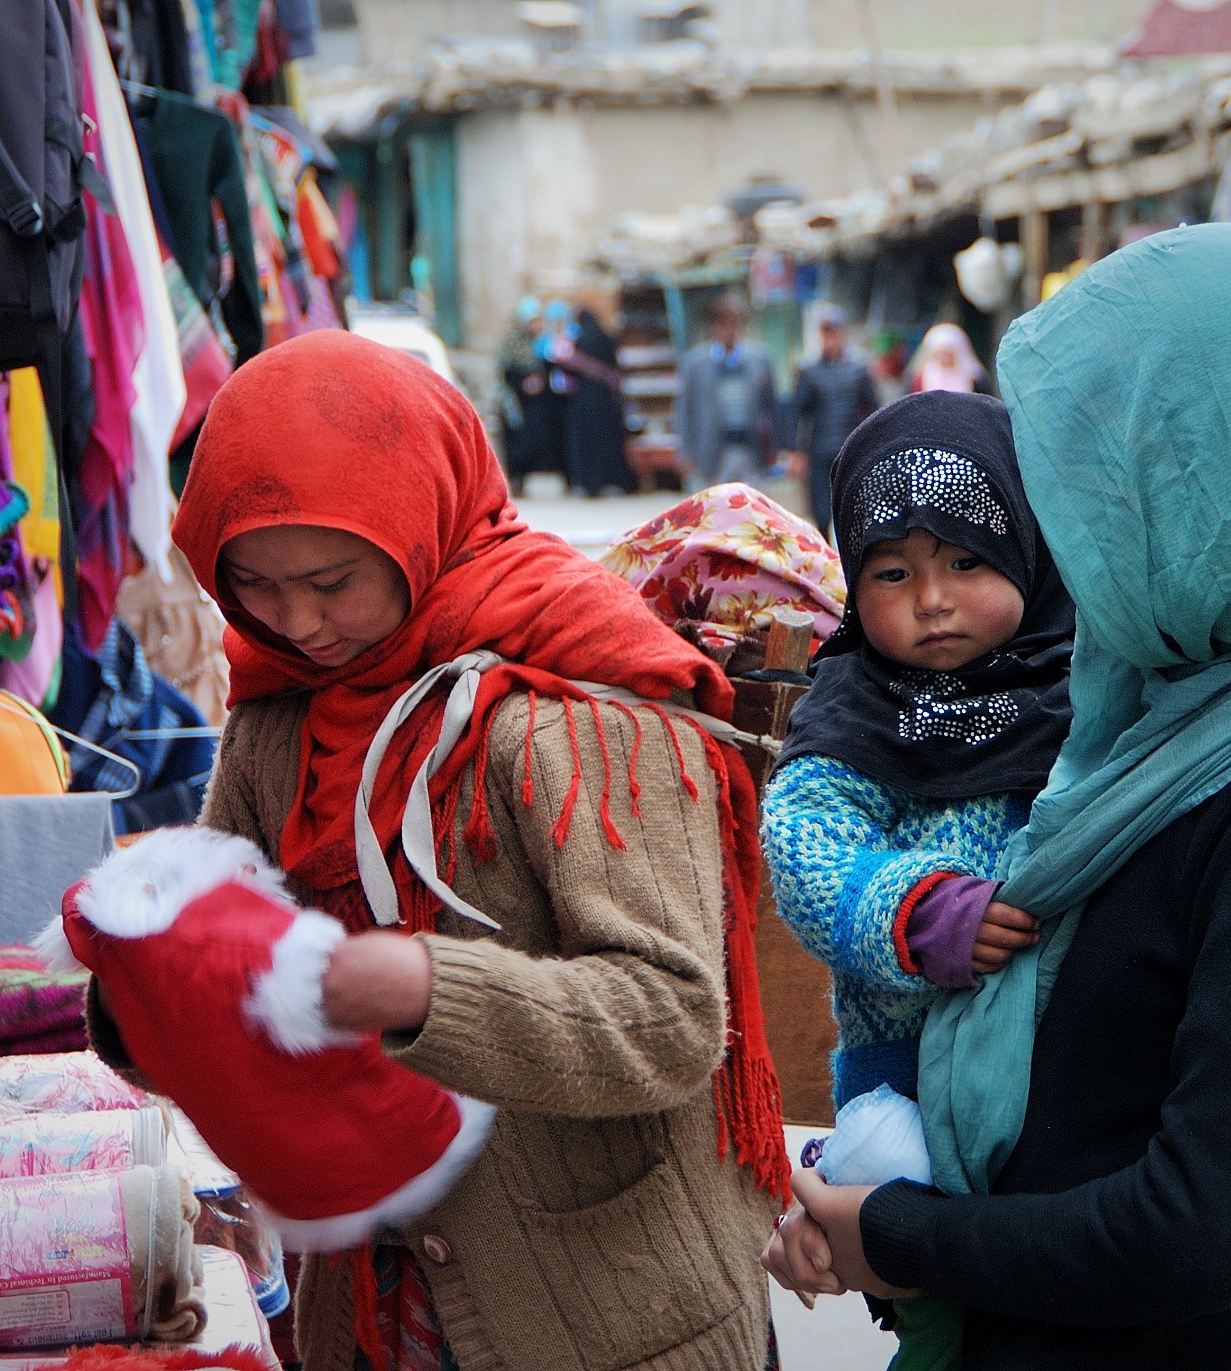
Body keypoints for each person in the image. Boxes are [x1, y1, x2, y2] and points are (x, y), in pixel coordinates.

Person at [764, 223, 1231, 1370]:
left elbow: (1192, 1232)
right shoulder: (1159, 705)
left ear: (1217, 479)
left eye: (1103, 472)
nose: (1069, 525)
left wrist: (903, 1236)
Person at [141, 330, 789, 1369]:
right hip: (376, 1311)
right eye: (252, 585)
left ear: (415, 522)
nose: (295, 621)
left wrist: (421, 988)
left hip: (610, 1324)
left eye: (330, 580)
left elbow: (670, 1021)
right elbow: (233, 951)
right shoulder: (279, 717)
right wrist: (148, 983)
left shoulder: (574, 707)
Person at [764, 391, 1073, 1108]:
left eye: (966, 561)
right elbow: (803, 836)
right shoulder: (854, 704)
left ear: (1027, 545)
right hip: (910, 1075)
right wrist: (924, 912)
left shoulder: (1091, 682)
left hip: (1068, 1055)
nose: (932, 598)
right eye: (894, 574)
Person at [786, 305, 880, 538]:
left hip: (850, 449)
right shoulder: (809, 372)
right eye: (826, 333)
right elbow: (798, 412)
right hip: (819, 450)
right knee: (821, 512)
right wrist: (795, 451)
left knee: (852, 508)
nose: (831, 339)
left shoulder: (858, 370)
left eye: (834, 332)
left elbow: (873, 408)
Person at [675, 292, 778, 488]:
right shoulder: (696, 365)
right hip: (712, 453)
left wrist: (774, 447)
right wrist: (685, 452)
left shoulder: (759, 360)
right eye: (723, 324)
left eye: (734, 323)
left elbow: (771, 407)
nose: (729, 330)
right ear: (713, 327)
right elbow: (685, 411)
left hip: (749, 452)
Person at [557, 284, 634, 496]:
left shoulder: (579, 342)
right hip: (605, 398)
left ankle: (590, 483)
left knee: (587, 441)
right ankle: (612, 480)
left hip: (584, 398)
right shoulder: (607, 337)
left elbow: (568, 369)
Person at [493, 295, 548, 494]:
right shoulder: (511, 342)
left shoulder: (538, 342)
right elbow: (504, 371)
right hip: (513, 402)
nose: (535, 325)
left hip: (531, 403)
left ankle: (524, 478)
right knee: (515, 442)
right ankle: (516, 479)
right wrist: (522, 382)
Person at [909, 323, 986, 395]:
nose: (943, 358)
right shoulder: (921, 379)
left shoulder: (974, 379)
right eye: (939, 353)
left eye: (947, 353)